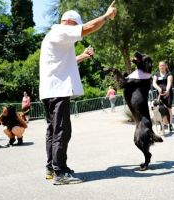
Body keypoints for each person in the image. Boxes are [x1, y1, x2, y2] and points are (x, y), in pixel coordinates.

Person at [39, 2, 117, 185]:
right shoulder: (61, 30)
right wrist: (106, 16)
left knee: (52, 131)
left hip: (49, 91)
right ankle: (60, 173)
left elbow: (66, 62)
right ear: (70, 22)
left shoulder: (53, 37)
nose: (77, 35)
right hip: (58, 91)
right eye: (76, 27)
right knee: (62, 131)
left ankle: (52, 168)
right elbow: (88, 28)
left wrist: (84, 56)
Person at [153, 61, 174, 132]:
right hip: (159, 94)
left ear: (166, 66)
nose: (161, 67)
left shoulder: (169, 74)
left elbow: (169, 83)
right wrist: (159, 89)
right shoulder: (156, 74)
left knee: (169, 108)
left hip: (168, 93)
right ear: (158, 67)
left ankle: (170, 124)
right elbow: (154, 83)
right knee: (161, 108)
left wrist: (167, 90)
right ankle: (165, 124)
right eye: (160, 66)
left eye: (163, 65)